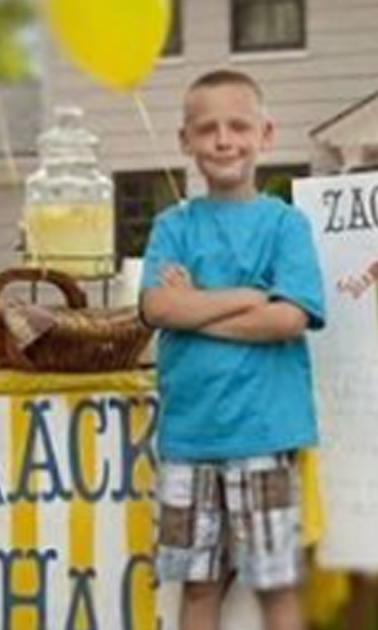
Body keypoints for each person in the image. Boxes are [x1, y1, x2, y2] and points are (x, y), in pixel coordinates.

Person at [138, 68, 326, 630]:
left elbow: (289, 317)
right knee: (198, 586)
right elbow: (156, 309)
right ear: (185, 141)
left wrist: (196, 305)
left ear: (265, 134)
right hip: (189, 436)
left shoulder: (286, 225)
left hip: (265, 433)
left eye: (239, 126)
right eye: (207, 128)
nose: (224, 140)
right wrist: (246, 296)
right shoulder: (172, 226)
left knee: (274, 586)